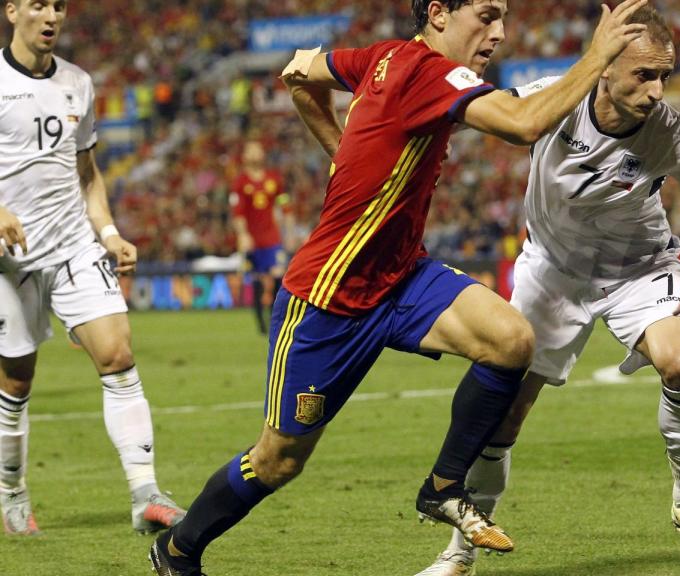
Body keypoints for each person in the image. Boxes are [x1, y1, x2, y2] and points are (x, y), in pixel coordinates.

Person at [149, 1, 651, 574]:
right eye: (486, 16)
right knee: (278, 461)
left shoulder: (382, 56)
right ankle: (177, 548)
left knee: (511, 339)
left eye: (503, 18)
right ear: (438, 13)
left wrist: (344, 151)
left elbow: (300, 72)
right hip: (327, 299)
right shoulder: (428, 71)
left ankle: (442, 486)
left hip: (401, 278)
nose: (500, 34)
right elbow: (525, 124)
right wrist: (599, 54)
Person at [415, 7, 680, 575]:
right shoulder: (552, 99)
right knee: (504, 417)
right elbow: (467, 114)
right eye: (644, 75)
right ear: (604, 68)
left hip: (639, 269)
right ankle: (461, 551)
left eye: (663, 76)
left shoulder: (672, 133)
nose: (657, 91)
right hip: (551, 270)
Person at [0, 0, 185, 535]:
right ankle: (12, 491)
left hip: (73, 247)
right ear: (13, 11)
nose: (51, 14)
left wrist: (108, 232)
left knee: (118, 354)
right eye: (38, 4)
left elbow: (87, 175)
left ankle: (145, 493)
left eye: (58, 5)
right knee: (15, 380)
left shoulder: (78, 83)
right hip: (10, 260)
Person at [230, 139, 294, 334]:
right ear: (245, 156)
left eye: (258, 149)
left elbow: (286, 207)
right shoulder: (241, 182)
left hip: (272, 237)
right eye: (252, 150)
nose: (256, 153)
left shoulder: (274, 179)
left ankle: (275, 317)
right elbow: (238, 213)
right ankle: (261, 324)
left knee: (277, 275)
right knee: (257, 277)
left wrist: (290, 232)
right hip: (252, 239)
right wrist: (242, 235)